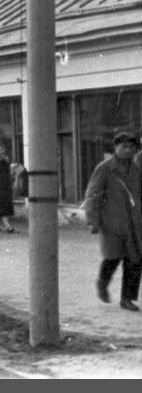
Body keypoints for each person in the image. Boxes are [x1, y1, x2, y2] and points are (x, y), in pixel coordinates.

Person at [84, 132, 142, 312]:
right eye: (124, 146)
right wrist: (93, 220)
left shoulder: (137, 170)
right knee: (113, 257)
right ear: (115, 147)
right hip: (111, 223)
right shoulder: (105, 168)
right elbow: (93, 195)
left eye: (131, 147)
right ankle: (102, 283)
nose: (128, 150)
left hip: (134, 224)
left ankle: (127, 299)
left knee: (135, 260)